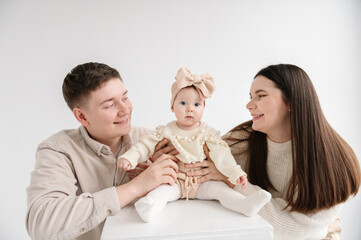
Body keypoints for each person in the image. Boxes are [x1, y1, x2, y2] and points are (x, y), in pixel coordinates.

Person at [185, 64, 361, 240]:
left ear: (291, 101)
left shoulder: (332, 160)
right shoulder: (243, 140)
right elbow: (196, 157)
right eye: (250, 97)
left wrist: (232, 180)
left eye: (260, 96)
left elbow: (295, 232)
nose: (249, 105)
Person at [26, 62, 180, 240]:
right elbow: (41, 225)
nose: (125, 110)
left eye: (124, 98)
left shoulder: (150, 140)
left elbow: (197, 178)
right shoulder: (58, 150)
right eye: (110, 105)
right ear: (82, 116)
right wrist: (135, 187)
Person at [117, 67, 271, 222]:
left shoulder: (208, 133)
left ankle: (245, 205)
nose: (190, 109)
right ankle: (149, 207)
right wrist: (130, 157)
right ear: (172, 107)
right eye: (183, 103)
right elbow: (144, 145)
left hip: (202, 181)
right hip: (174, 180)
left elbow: (222, 155)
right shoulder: (166, 131)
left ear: (204, 107)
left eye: (197, 104)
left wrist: (235, 173)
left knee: (221, 191)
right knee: (162, 193)